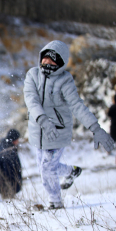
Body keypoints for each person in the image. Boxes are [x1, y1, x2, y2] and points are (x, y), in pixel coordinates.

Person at [24, 40, 115, 209]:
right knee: (45, 168)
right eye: (45, 58)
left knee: (47, 170)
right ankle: (71, 171)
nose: (47, 62)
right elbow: (31, 99)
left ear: (61, 62)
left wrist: (96, 128)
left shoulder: (65, 81)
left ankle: (55, 202)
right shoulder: (32, 75)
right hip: (38, 130)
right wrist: (43, 120)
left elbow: (77, 106)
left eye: (53, 59)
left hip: (57, 131)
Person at [0, 129, 22, 199]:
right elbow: (10, 171)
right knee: (9, 201)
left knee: (8, 200)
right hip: (8, 184)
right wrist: (13, 185)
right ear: (13, 139)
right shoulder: (8, 151)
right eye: (17, 139)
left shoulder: (4, 146)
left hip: (3, 183)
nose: (18, 141)